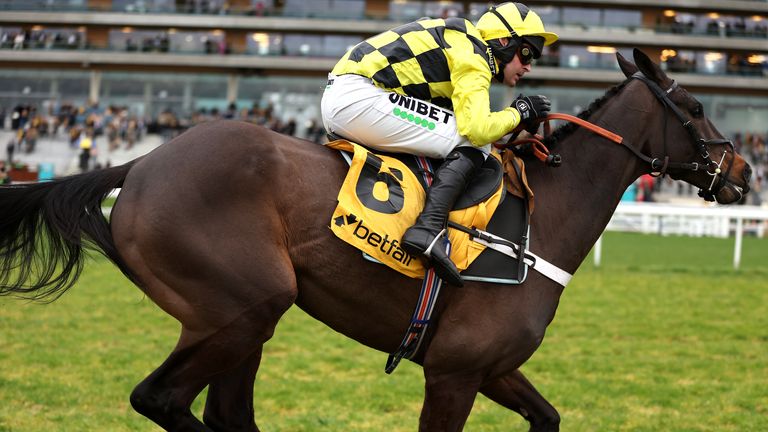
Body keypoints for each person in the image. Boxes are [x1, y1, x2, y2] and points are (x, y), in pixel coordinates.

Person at [321, 2, 557, 286]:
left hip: (350, 95)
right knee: (474, 144)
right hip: (359, 97)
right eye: (527, 53)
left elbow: (462, 121)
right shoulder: (474, 57)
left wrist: (514, 125)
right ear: (504, 41)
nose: (529, 66)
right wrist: (517, 112)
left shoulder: (463, 40)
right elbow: (477, 130)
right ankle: (428, 228)